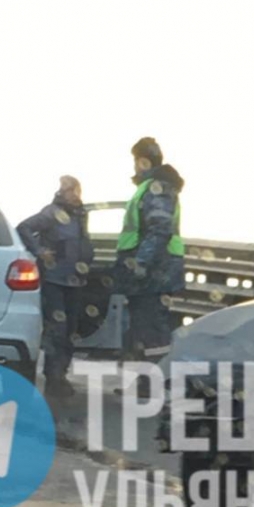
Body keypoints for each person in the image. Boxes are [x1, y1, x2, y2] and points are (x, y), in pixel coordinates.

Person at [16, 175, 94, 400]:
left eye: (77, 191)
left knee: (71, 330)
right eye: (70, 191)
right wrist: (40, 251)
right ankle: (53, 376)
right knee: (57, 330)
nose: (75, 195)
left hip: (76, 280)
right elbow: (24, 227)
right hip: (55, 280)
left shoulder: (80, 216)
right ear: (62, 192)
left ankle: (61, 374)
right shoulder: (51, 213)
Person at [113, 137, 185, 361]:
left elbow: (159, 230)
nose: (134, 166)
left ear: (143, 161)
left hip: (154, 271)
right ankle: (144, 381)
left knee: (152, 329)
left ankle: (157, 381)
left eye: (136, 160)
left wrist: (140, 264)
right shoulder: (150, 187)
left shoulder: (157, 188)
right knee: (141, 328)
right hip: (151, 270)